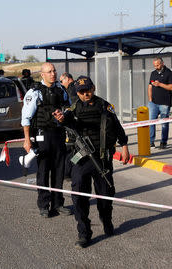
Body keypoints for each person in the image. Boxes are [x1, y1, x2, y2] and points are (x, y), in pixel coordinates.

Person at [53, 76, 130, 249]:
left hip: (102, 159)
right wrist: (60, 119)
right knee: (79, 195)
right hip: (81, 159)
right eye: (81, 92)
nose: (85, 94)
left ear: (93, 88)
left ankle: (107, 221)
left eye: (88, 90)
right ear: (77, 93)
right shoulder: (73, 109)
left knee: (105, 195)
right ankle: (84, 232)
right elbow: (64, 122)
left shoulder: (104, 106)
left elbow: (117, 127)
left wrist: (124, 146)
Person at [21, 62, 71, 218]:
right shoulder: (34, 92)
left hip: (59, 135)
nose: (53, 74)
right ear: (42, 74)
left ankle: (58, 203)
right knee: (43, 172)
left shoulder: (61, 89)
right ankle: (44, 205)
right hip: (43, 136)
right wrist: (27, 139)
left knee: (59, 171)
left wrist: (64, 115)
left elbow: (68, 108)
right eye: (49, 71)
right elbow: (26, 117)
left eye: (54, 71)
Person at [147, 57, 172, 149]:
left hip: (164, 103)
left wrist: (160, 84)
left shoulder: (170, 73)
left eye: (157, 65)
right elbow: (150, 87)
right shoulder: (153, 73)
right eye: (154, 65)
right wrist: (150, 99)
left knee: (164, 123)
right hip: (153, 103)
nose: (156, 67)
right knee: (151, 122)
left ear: (162, 63)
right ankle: (151, 142)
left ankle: (163, 142)